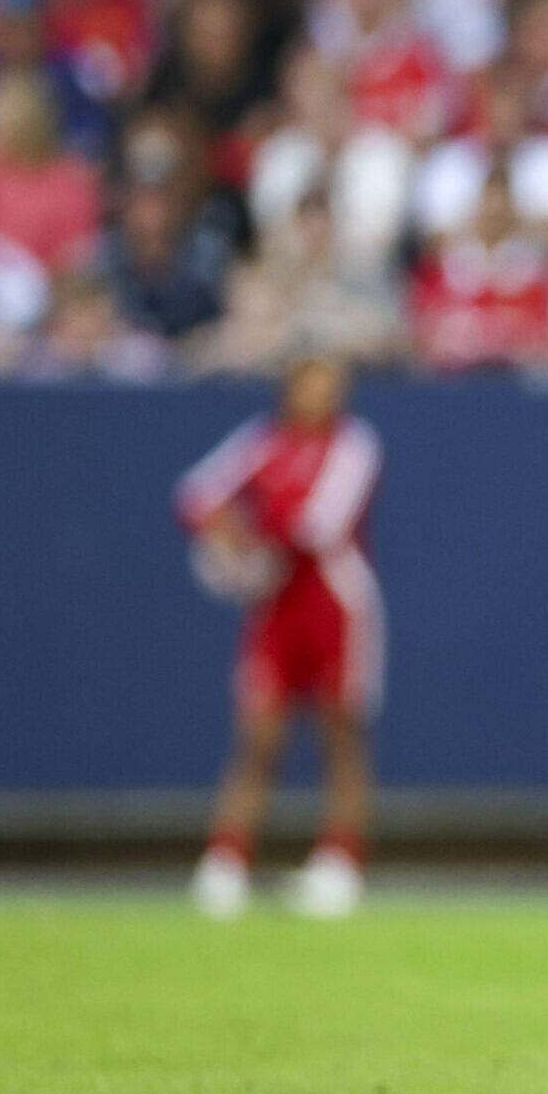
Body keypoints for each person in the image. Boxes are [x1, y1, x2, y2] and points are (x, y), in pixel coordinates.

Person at [175, 357, 385, 920]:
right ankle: (227, 862)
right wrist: (229, 541)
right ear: (290, 386)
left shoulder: (354, 444)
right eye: (313, 379)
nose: (324, 392)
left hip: (336, 608)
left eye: (333, 381)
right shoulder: (262, 442)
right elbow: (196, 495)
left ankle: (340, 863)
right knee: (258, 737)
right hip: (275, 612)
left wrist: (247, 544)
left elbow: (319, 524)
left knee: (339, 737)